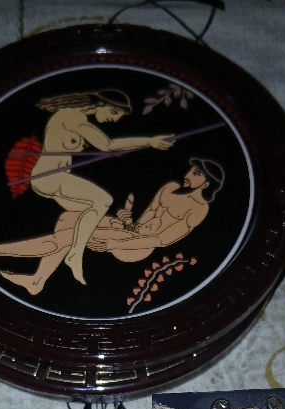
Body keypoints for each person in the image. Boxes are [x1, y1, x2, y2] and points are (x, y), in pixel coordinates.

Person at [0, 158, 225, 296]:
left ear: (206, 184)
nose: (189, 175)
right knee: (68, 219)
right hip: (132, 232)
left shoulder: (199, 208)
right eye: (191, 170)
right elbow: (147, 217)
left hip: (137, 248)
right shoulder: (170, 187)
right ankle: (38, 280)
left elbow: (160, 240)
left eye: (196, 174)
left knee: (70, 236)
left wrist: (114, 241)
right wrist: (127, 220)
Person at [25, 89, 174, 285]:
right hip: (50, 177)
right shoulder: (72, 117)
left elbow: (104, 147)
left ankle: (38, 278)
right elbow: (108, 145)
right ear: (103, 104)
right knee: (103, 200)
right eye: (114, 112)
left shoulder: (75, 120)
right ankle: (75, 254)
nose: (115, 120)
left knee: (83, 219)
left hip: (52, 179)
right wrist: (149, 141)